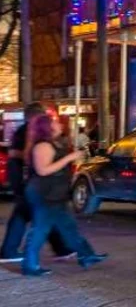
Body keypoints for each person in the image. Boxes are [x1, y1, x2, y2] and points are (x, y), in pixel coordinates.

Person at [21, 112, 107, 276]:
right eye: (55, 122)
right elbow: (43, 170)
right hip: (44, 194)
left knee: (68, 227)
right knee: (40, 229)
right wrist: (69, 158)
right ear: (47, 127)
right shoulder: (43, 146)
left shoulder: (54, 143)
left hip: (55, 194)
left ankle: (86, 255)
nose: (60, 124)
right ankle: (29, 265)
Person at [1, 103, 75, 264]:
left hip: (24, 177)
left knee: (31, 212)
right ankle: (15, 253)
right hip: (27, 178)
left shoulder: (27, 131)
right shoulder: (29, 131)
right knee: (34, 212)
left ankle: (60, 248)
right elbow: (23, 154)